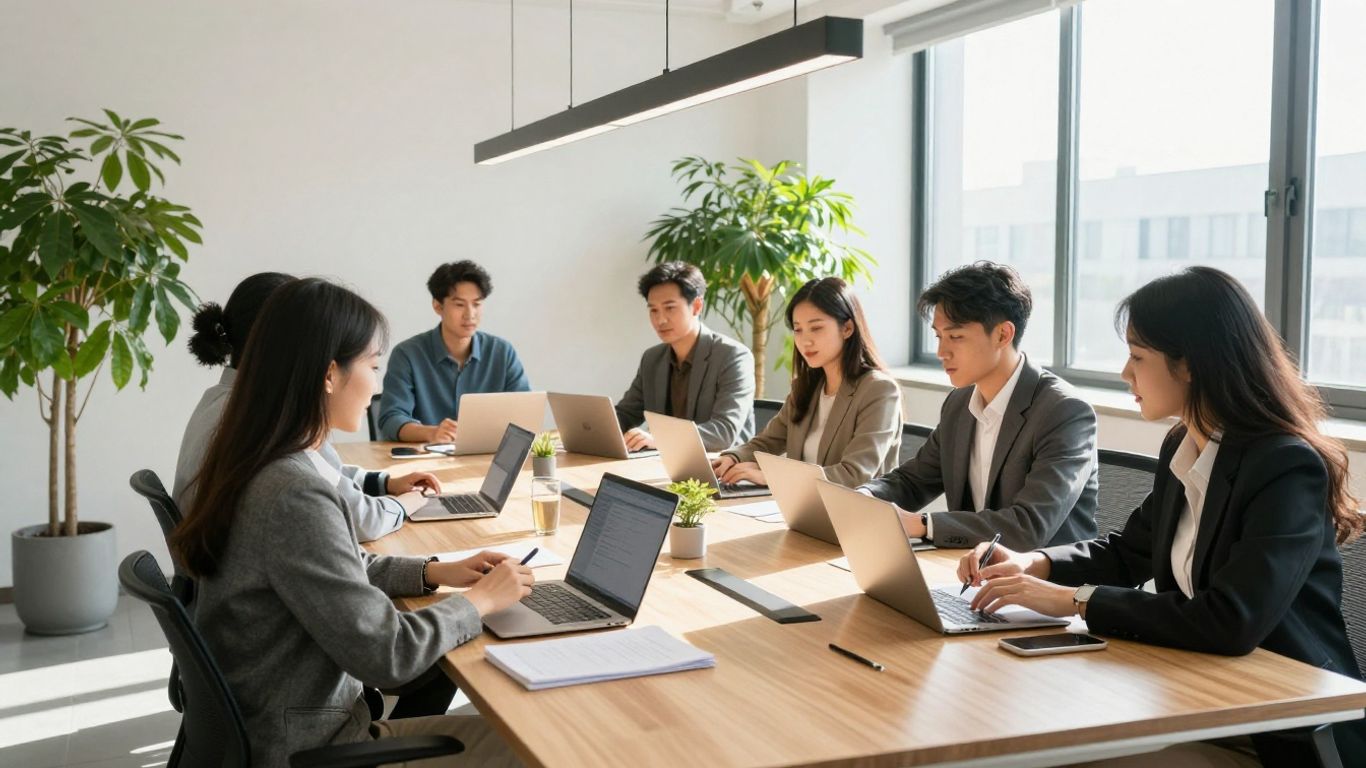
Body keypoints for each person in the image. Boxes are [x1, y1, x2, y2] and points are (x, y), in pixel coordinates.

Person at [960, 267, 1366, 766]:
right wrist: (1031, 564)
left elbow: (1231, 620)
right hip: (1198, 697)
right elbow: (1126, 553)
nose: (1125, 374)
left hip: (1279, 728)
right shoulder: (1186, 443)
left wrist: (1072, 601)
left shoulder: (1286, 466)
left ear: (1190, 364)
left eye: (1137, 356)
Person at [170, 278, 532, 767]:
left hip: (273, 721)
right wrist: (481, 601)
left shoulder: (253, 457)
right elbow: (387, 655)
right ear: (327, 374)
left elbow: (329, 564)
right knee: (528, 751)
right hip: (310, 744)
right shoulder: (291, 490)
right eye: (373, 366)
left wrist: (432, 572)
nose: (378, 386)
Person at [858, 262, 1099, 550]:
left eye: (955, 336)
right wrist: (863, 498)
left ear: (1002, 335)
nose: (941, 352)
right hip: (969, 571)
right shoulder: (959, 404)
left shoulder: (1065, 412)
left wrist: (922, 524)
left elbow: (1029, 527)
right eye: (938, 336)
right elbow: (913, 481)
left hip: (1045, 584)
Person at [173, 272, 426, 543]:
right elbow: (359, 518)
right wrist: (408, 503)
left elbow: (320, 471)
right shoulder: (264, 418)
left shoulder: (223, 399)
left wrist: (383, 483)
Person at [710, 277, 901, 488]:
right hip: (801, 507)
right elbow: (767, 442)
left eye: (816, 328)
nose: (805, 340)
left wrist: (772, 476)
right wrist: (733, 458)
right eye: (798, 329)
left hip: (854, 514)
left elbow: (854, 474)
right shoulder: (807, 386)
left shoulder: (879, 390)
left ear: (847, 328)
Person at [379, 260, 531, 442]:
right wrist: (432, 433)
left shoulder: (502, 353)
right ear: (437, 306)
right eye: (459, 305)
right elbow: (391, 418)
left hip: (486, 456)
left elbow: (525, 413)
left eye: (477, 304)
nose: (470, 314)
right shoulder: (407, 354)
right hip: (428, 460)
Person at [614, 261, 755, 452]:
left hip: (720, 470)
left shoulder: (733, 356)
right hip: (660, 465)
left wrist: (660, 439)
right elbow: (626, 414)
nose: (660, 320)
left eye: (670, 308)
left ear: (697, 306)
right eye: (653, 310)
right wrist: (589, 427)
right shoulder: (652, 358)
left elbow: (723, 433)